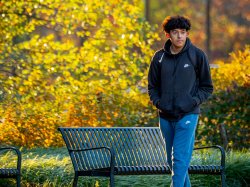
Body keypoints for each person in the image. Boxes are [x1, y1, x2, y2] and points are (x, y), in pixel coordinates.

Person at [148, 15, 213, 187]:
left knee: (179, 159)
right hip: (165, 116)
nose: (179, 36)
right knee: (173, 163)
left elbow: (207, 87)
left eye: (183, 32)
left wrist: (192, 101)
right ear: (168, 35)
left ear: (187, 34)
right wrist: (159, 102)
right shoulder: (159, 57)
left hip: (188, 115)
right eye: (175, 32)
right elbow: (152, 87)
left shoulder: (197, 55)